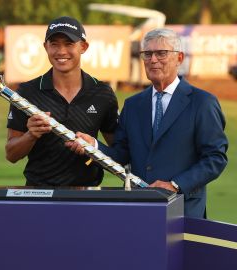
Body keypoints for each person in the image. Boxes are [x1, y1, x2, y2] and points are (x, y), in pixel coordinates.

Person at [66, 28, 228, 218]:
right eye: (147, 54)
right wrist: (93, 146)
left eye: (161, 53)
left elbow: (215, 158)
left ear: (180, 58)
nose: (153, 59)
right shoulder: (133, 105)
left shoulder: (202, 102)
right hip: (140, 210)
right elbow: (121, 154)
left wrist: (175, 185)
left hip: (184, 211)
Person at [5, 16, 119, 187]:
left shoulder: (102, 93)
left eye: (69, 43)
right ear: (46, 47)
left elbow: (119, 153)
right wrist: (31, 135)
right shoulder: (28, 92)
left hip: (87, 196)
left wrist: (94, 146)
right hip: (39, 195)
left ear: (83, 47)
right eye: (54, 44)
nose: (61, 51)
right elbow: (11, 154)